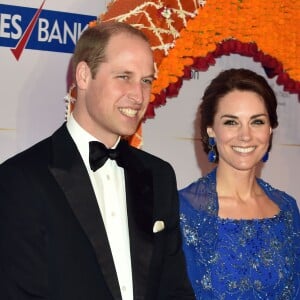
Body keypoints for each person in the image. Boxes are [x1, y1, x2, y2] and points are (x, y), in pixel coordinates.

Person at [0, 22, 195, 300]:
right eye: (124, 76)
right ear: (83, 75)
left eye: (146, 80)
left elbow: (175, 290)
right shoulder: (21, 179)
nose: (139, 96)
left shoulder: (159, 175)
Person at [179, 68, 300, 299]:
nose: (245, 135)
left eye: (257, 122)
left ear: (270, 129)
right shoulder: (182, 212)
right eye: (231, 122)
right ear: (211, 130)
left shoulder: (287, 209)